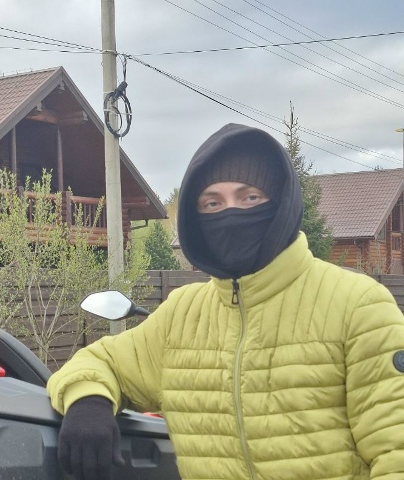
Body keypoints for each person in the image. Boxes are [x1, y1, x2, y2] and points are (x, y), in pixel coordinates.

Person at [47, 124, 404, 480]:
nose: (231, 215)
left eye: (250, 198)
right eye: (213, 203)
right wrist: (88, 401)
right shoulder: (182, 315)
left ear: (281, 204)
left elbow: (396, 453)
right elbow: (102, 361)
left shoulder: (358, 305)